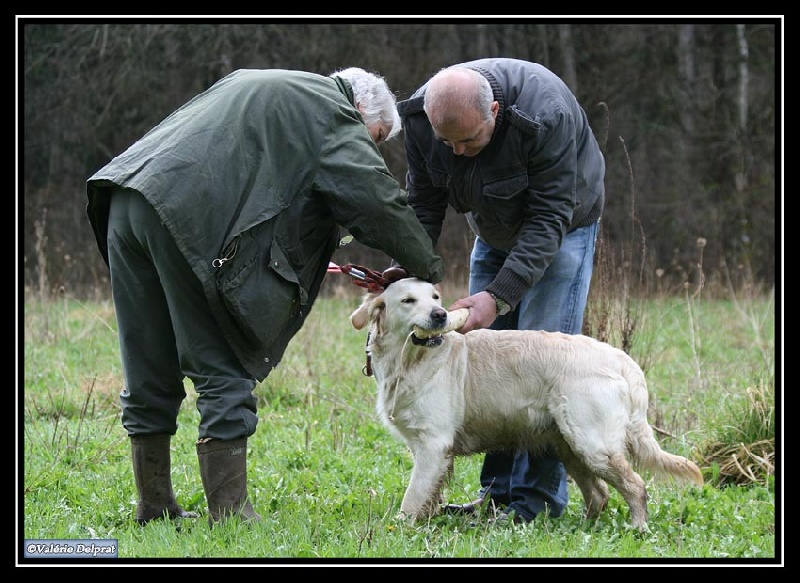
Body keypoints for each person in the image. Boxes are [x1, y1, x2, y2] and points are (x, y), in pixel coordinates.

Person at [86, 67, 443, 526]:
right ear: (359, 111)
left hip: (125, 201)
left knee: (148, 361)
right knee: (223, 358)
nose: (369, 149)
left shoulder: (264, 86)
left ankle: (153, 505)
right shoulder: (332, 114)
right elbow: (376, 199)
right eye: (372, 138)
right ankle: (230, 515)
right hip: (183, 219)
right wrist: (428, 268)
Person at [389, 58, 605, 524]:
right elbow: (423, 205)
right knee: (488, 367)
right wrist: (407, 275)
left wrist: (498, 295)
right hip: (492, 227)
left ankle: (534, 504)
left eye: (468, 140)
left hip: (562, 228)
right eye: (449, 143)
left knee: (542, 365)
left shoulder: (546, 115)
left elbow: (550, 218)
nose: (459, 152)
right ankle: (496, 496)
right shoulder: (422, 119)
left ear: (495, 109)